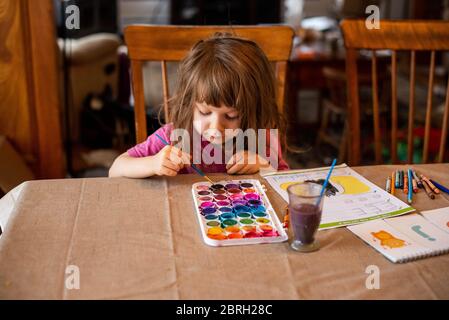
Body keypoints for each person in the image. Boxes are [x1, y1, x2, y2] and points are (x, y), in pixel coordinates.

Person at [109, 33, 289, 178]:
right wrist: (153, 163)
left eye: (231, 116)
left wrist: (264, 167)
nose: (216, 127)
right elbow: (115, 169)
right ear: (190, 104)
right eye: (204, 112)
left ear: (254, 111)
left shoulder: (261, 136)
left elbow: (286, 183)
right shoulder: (175, 135)